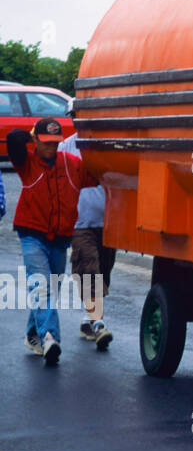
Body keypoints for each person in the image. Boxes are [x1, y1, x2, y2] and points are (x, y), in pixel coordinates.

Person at [7, 117, 100, 366]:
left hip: (60, 239)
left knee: (51, 290)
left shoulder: (72, 165)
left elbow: (99, 175)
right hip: (31, 235)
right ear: (36, 140)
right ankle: (50, 338)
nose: (51, 147)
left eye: (55, 142)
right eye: (45, 142)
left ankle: (32, 335)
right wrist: (31, 135)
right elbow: (13, 139)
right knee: (42, 287)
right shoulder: (26, 163)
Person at [58, 133, 113, 349]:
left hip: (108, 222)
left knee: (103, 273)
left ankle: (87, 319)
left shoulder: (108, 142)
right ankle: (98, 323)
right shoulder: (65, 147)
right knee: (89, 270)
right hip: (80, 222)